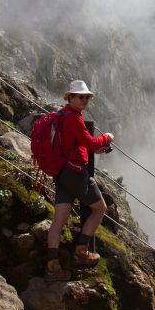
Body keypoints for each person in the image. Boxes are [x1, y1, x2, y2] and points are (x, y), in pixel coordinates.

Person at [45, 80, 114, 282]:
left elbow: (77, 144)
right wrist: (108, 137)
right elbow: (90, 142)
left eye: (87, 97)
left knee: (59, 220)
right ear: (70, 98)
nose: (84, 100)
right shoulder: (74, 119)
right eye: (80, 97)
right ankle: (82, 252)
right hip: (75, 174)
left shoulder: (62, 115)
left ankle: (53, 264)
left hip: (62, 173)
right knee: (100, 208)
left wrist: (94, 149)